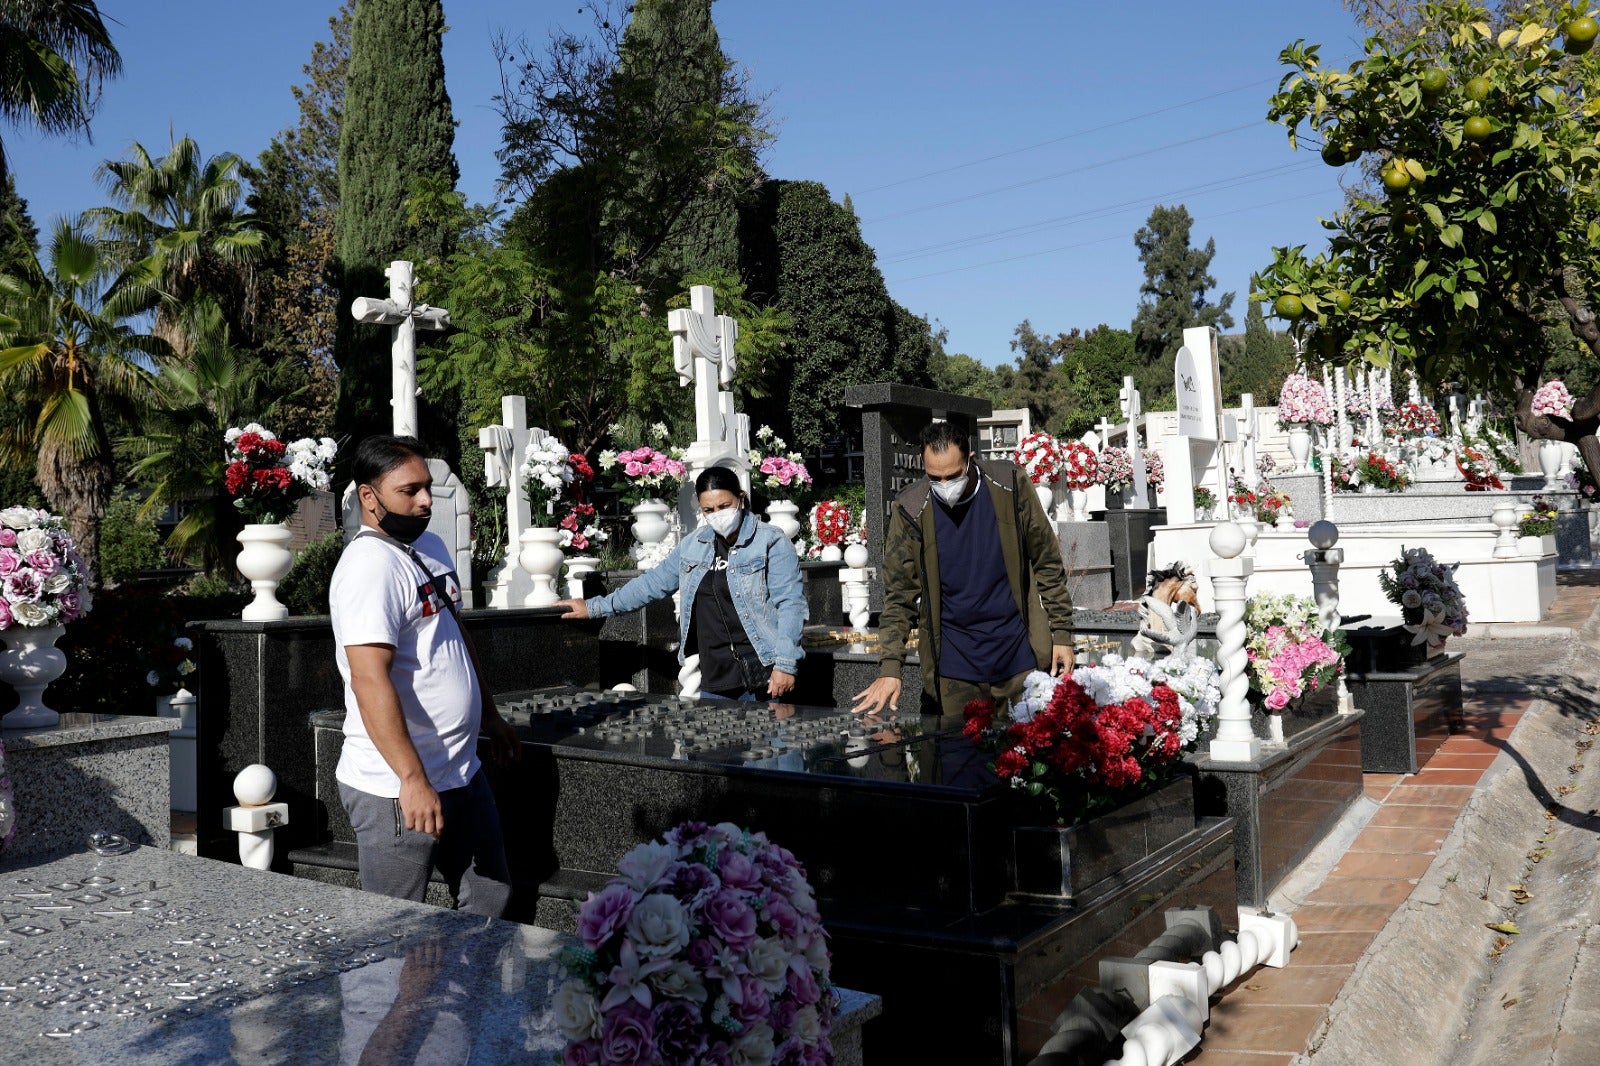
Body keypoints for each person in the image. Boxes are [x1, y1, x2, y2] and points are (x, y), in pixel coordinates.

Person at [329, 434, 521, 917]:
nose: (425, 501)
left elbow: (455, 637)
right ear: (368, 497)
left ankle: (464, 991)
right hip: (395, 786)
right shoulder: (369, 566)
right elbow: (369, 678)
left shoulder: (431, 546)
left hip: (460, 769)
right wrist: (411, 779)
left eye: (427, 488)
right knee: (394, 923)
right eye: (409, 490)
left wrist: (490, 716)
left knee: (490, 892)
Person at [852, 421, 1076, 718]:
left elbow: (1046, 560)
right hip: (954, 670)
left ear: (970, 459)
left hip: (1017, 659)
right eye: (935, 478)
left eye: (953, 476)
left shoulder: (1009, 484)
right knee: (956, 758)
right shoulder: (911, 507)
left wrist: (1061, 633)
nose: (945, 487)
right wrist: (891, 667)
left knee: (1024, 757)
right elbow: (899, 595)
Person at [555, 465, 806, 700]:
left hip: (763, 675)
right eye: (709, 510)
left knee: (771, 747)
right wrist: (595, 607)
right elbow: (652, 584)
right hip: (713, 676)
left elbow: (790, 605)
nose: (718, 515)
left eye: (724, 505)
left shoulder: (770, 542)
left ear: (740, 499)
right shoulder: (694, 545)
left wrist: (785, 664)